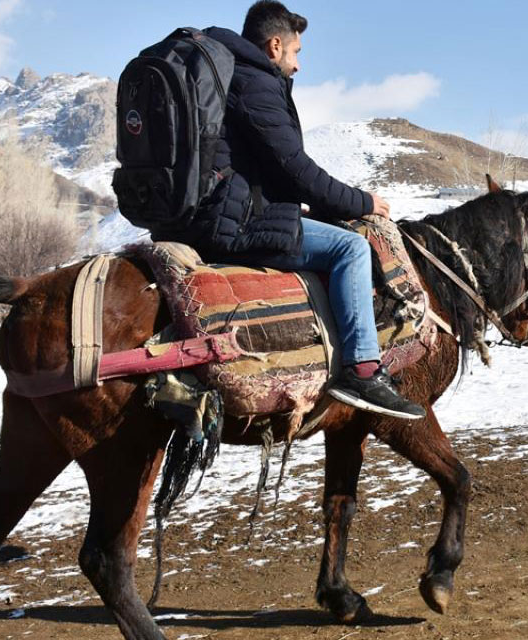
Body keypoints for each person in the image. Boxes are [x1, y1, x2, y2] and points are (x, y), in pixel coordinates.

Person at [159, 1, 424, 420]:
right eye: (296, 53)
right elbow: (296, 170)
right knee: (351, 249)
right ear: (275, 45)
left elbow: (272, 170)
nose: (298, 65)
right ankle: (363, 370)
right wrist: (362, 202)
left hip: (207, 215)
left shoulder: (226, 72)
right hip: (233, 223)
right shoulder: (255, 82)